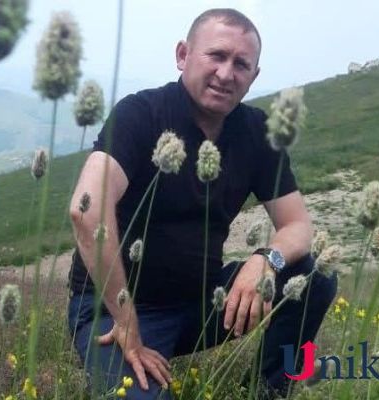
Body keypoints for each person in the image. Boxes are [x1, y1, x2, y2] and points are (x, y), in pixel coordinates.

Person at [68, 8, 337, 399]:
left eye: (241, 64)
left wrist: (265, 261)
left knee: (314, 275)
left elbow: (298, 226)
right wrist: (126, 321)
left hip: (201, 302)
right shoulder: (140, 114)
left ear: (254, 76)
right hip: (112, 311)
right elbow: (86, 210)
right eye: (217, 56)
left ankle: (267, 391)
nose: (226, 74)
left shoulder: (257, 132)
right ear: (183, 55)